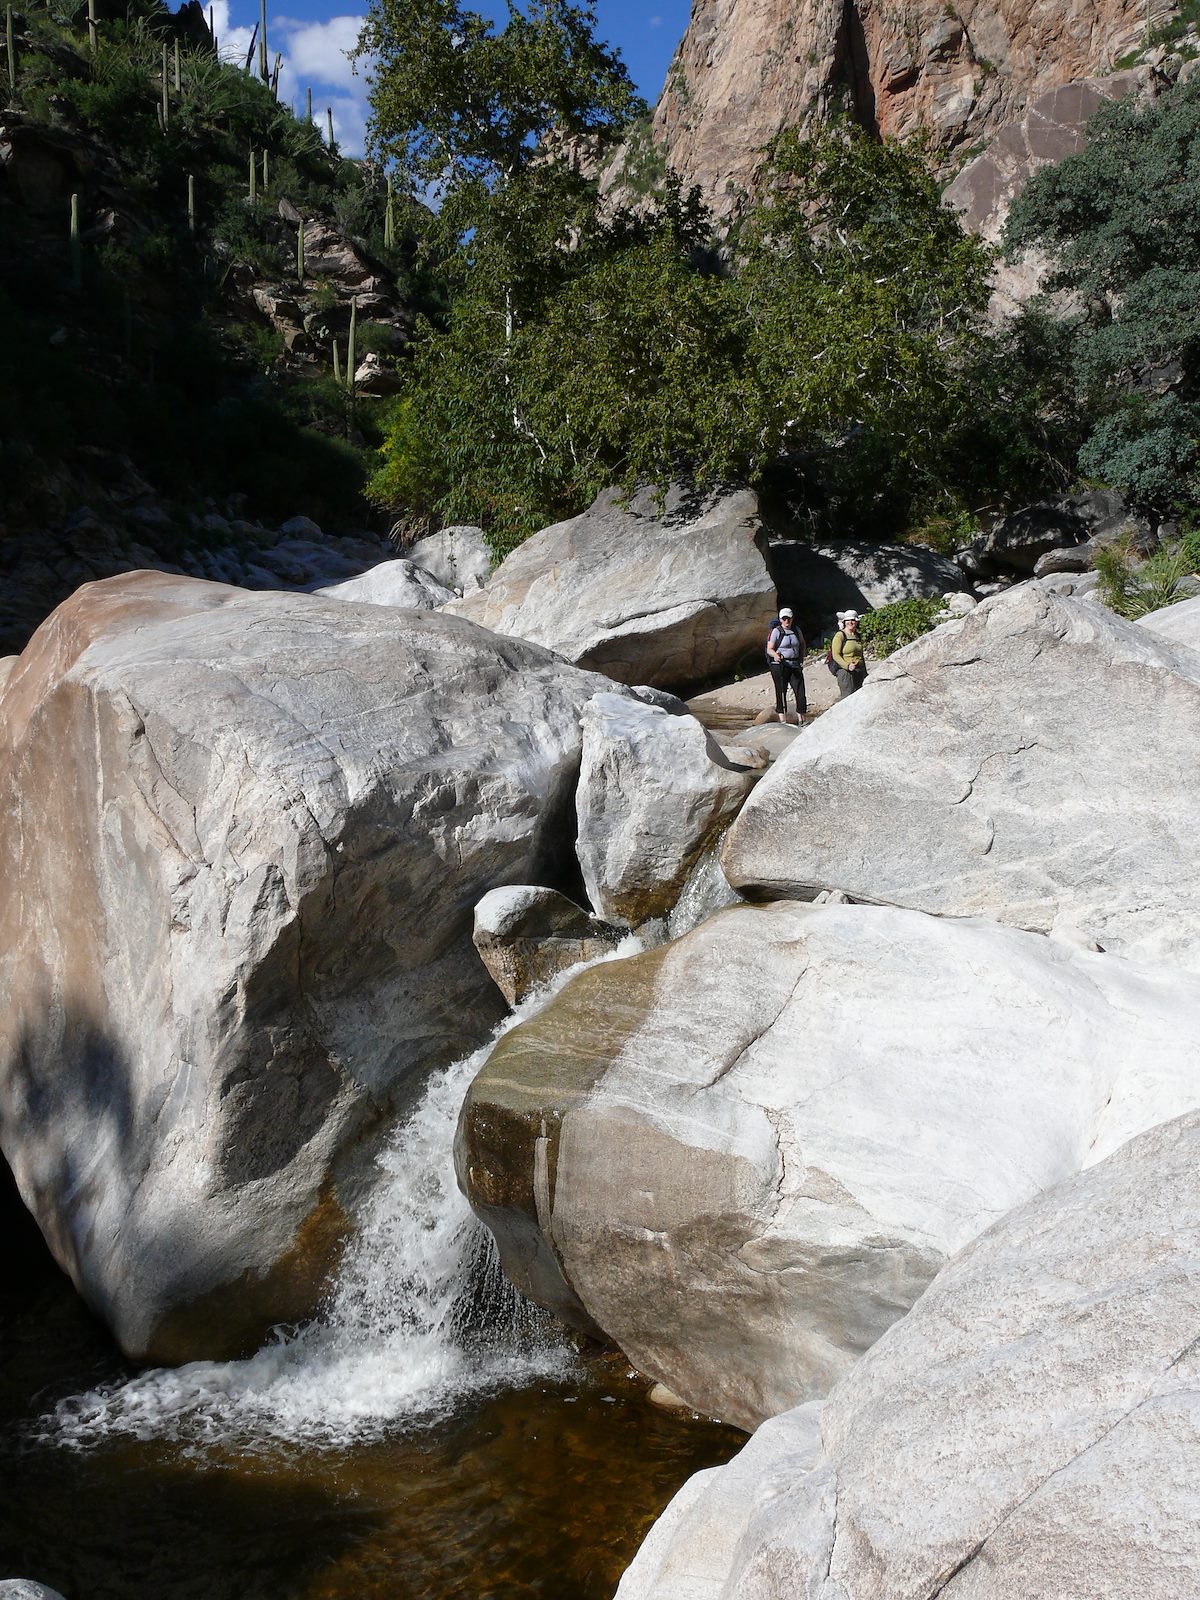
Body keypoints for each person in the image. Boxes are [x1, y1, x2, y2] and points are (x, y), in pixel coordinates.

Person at [767, 605, 806, 723]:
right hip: (780, 665)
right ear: (780, 619)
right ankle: (783, 720)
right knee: (781, 691)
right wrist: (775, 655)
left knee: (800, 692)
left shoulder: (796, 630)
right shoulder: (776, 631)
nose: (786, 621)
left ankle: (802, 719)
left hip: (794, 664)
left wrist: (801, 658)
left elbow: (802, 644)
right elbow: (770, 648)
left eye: (788, 618)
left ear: (792, 618)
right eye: (784, 618)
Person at [832, 610, 867, 699]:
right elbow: (835, 655)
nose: (850, 622)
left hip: (859, 670)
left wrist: (865, 672)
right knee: (848, 697)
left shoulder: (858, 636)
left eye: (853, 620)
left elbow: (861, 655)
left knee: (861, 696)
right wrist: (847, 665)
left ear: (857, 622)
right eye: (848, 620)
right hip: (845, 672)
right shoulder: (840, 635)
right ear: (844, 622)